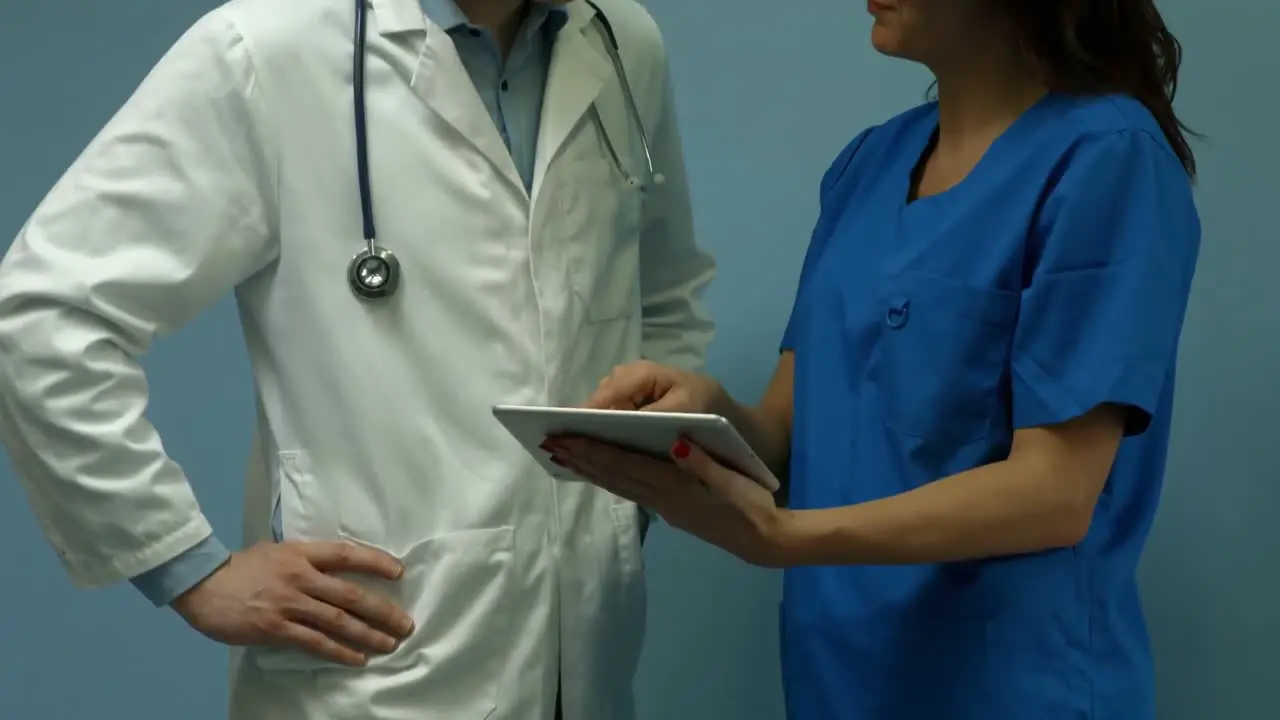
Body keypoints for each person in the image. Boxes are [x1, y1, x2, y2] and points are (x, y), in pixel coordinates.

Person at [0, 0, 714, 717]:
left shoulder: (622, 42)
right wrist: (186, 567)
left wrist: (639, 487)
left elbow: (664, 293)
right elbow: (45, 311)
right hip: (369, 675)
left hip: (588, 659)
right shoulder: (268, 48)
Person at [545, 1, 1201, 718]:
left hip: (1013, 689)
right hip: (840, 684)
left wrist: (783, 539)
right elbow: (791, 438)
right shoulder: (868, 166)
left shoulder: (1107, 159)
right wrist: (704, 411)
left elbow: (1055, 494)